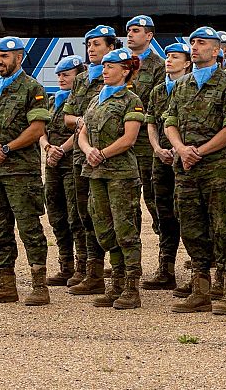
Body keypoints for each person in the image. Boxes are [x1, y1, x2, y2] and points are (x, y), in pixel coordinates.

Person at [166, 28, 226, 315]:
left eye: (202, 43)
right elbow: (169, 121)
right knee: (191, 227)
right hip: (186, 169)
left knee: (224, 227)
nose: (195, 47)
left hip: (217, 169)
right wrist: (181, 148)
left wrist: (199, 151)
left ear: (216, 51)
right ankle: (200, 289)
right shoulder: (182, 85)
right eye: (193, 42)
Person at [0, 36, 53, 306]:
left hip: (21, 172)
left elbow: (37, 129)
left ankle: (39, 285)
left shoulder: (32, 88)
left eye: (4, 57)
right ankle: (5, 283)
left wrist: (6, 148)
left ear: (19, 57)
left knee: (29, 227)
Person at [79, 48, 150, 309]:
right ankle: (116, 283)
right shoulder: (95, 100)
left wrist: (103, 154)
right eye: (104, 66)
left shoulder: (131, 100)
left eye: (111, 66)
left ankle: (131, 287)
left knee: (125, 229)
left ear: (125, 71)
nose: (105, 70)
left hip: (121, 173)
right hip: (96, 172)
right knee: (104, 228)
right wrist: (89, 151)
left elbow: (129, 138)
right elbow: (82, 133)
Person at [125, 15, 177, 290]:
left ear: (149, 36)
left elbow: (154, 107)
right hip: (125, 145)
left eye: (136, 31)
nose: (130, 35)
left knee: (158, 203)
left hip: (147, 145)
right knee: (134, 201)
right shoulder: (124, 63)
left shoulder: (158, 66)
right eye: (129, 31)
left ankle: (166, 264)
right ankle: (127, 263)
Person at [63, 26, 115, 296]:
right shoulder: (83, 80)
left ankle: (119, 275)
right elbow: (68, 116)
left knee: (107, 216)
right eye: (88, 45)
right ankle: (90, 271)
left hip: (109, 159)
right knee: (82, 213)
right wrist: (82, 121)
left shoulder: (116, 78)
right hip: (81, 155)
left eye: (96, 44)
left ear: (110, 47)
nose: (91, 49)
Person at [143, 43, 189, 292]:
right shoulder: (159, 90)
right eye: (168, 56)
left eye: (175, 57)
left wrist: (178, 148)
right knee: (164, 213)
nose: (169, 60)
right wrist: (157, 149)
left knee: (189, 213)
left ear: (187, 63)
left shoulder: (191, 88)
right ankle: (166, 268)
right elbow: (151, 123)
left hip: (185, 159)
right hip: (161, 159)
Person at [42, 56, 85, 287]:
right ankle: (65, 265)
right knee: (56, 215)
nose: (61, 79)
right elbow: (41, 128)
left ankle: (81, 267)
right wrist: (48, 147)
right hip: (53, 163)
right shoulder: (53, 101)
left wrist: (60, 149)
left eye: (66, 74)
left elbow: (82, 129)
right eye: (59, 74)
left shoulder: (81, 101)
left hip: (71, 162)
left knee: (74, 216)